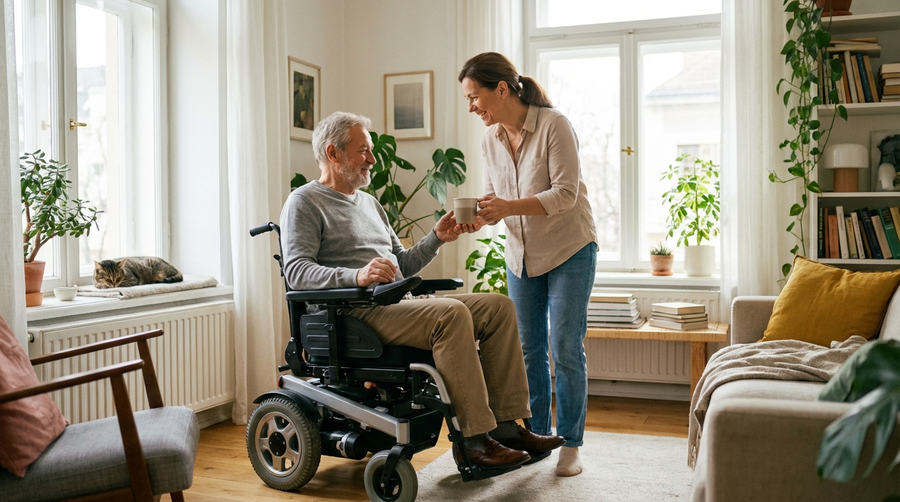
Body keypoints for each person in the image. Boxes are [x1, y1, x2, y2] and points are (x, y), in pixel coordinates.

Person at [279, 111, 566, 470]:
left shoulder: (370, 204)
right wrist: (357, 276)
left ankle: (506, 427)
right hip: (351, 315)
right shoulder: (304, 201)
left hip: (394, 305)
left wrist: (436, 239)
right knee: (451, 314)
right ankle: (473, 441)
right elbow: (297, 272)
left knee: (497, 307)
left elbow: (402, 264)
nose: (371, 158)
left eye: (370, 151)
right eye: (363, 151)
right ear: (333, 154)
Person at [458, 52, 598, 477]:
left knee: (565, 348)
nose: (471, 107)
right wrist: (476, 217)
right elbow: (493, 196)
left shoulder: (554, 125)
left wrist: (505, 206)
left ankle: (571, 443)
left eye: (474, 96)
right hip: (520, 255)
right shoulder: (488, 139)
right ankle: (537, 436)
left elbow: (565, 194)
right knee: (528, 352)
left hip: (569, 249)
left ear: (501, 89)